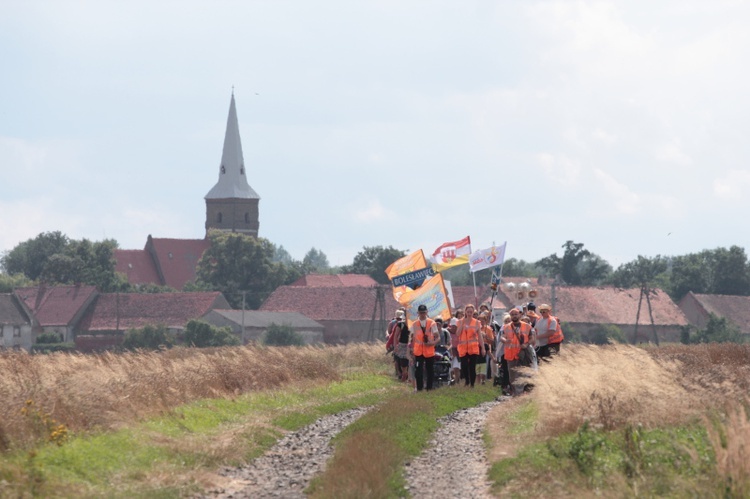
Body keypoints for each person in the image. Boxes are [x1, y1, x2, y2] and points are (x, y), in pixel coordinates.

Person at [500, 308, 532, 395]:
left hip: (522, 355)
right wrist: (505, 340)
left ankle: (519, 394)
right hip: (510, 355)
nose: (514, 316)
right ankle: (515, 393)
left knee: (520, 375)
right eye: (512, 314)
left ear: (520, 315)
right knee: (512, 376)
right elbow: (502, 337)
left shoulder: (527, 326)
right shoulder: (506, 327)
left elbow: (532, 338)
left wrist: (526, 344)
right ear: (510, 316)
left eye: (516, 314)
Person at [410, 304, 439, 391]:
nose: (422, 314)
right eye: (421, 312)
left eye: (424, 312)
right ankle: (419, 388)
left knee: (430, 370)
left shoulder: (432, 323)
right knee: (418, 371)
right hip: (418, 351)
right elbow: (411, 338)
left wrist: (432, 343)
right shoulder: (414, 324)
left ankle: (429, 388)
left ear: (427, 312)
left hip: (429, 351)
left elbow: (438, 337)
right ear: (418, 313)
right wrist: (411, 349)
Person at [455, 304, 485, 388]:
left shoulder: (476, 322)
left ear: (473, 312)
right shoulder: (460, 321)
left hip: (473, 348)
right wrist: (462, 324)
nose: (469, 313)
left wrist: (482, 348)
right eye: (468, 312)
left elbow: (480, 336)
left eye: (471, 312)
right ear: (465, 312)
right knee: (464, 366)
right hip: (463, 348)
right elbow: (457, 333)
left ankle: (472, 384)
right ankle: (467, 381)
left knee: (472, 367)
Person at [391, 310, 410, 382]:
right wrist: (396, 346)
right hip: (403, 345)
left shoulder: (415, 324)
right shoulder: (401, 324)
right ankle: (404, 374)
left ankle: (408, 376)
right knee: (403, 361)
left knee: (411, 361)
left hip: (411, 345)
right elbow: (395, 336)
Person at [448, 317, 460, 385]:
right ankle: (450, 379)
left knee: (456, 367)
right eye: (452, 326)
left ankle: (456, 381)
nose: (454, 328)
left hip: (457, 352)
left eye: (455, 326)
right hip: (450, 352)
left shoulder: (459, 333)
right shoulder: (447, 332)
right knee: (449, 368)